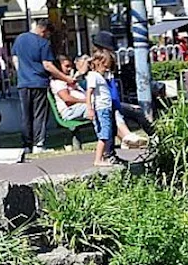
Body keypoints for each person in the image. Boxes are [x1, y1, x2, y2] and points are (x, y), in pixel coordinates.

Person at [13, 18, 76, 154]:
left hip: (23, 83)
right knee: (39, 114)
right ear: (44, 30)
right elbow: (47, 65)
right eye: (48, 34)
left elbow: (15, 59)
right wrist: (66, 78)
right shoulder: (43, 43)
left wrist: (22, 73)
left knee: (26, 115)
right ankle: (38, 144)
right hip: (39, 82)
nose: (48, 37)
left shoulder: (20, 39)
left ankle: (26, 144)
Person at [86, 51, 118, 167]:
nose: (106, 69)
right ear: (97, 63)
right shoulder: (93, 76)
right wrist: (89, 108)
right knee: (104, 134)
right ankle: (98, 159)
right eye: (105, 66)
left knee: (106, 133)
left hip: (105, 108)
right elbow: (89, 92)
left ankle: (103, 156)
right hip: (101, 108)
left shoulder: (100, 76)